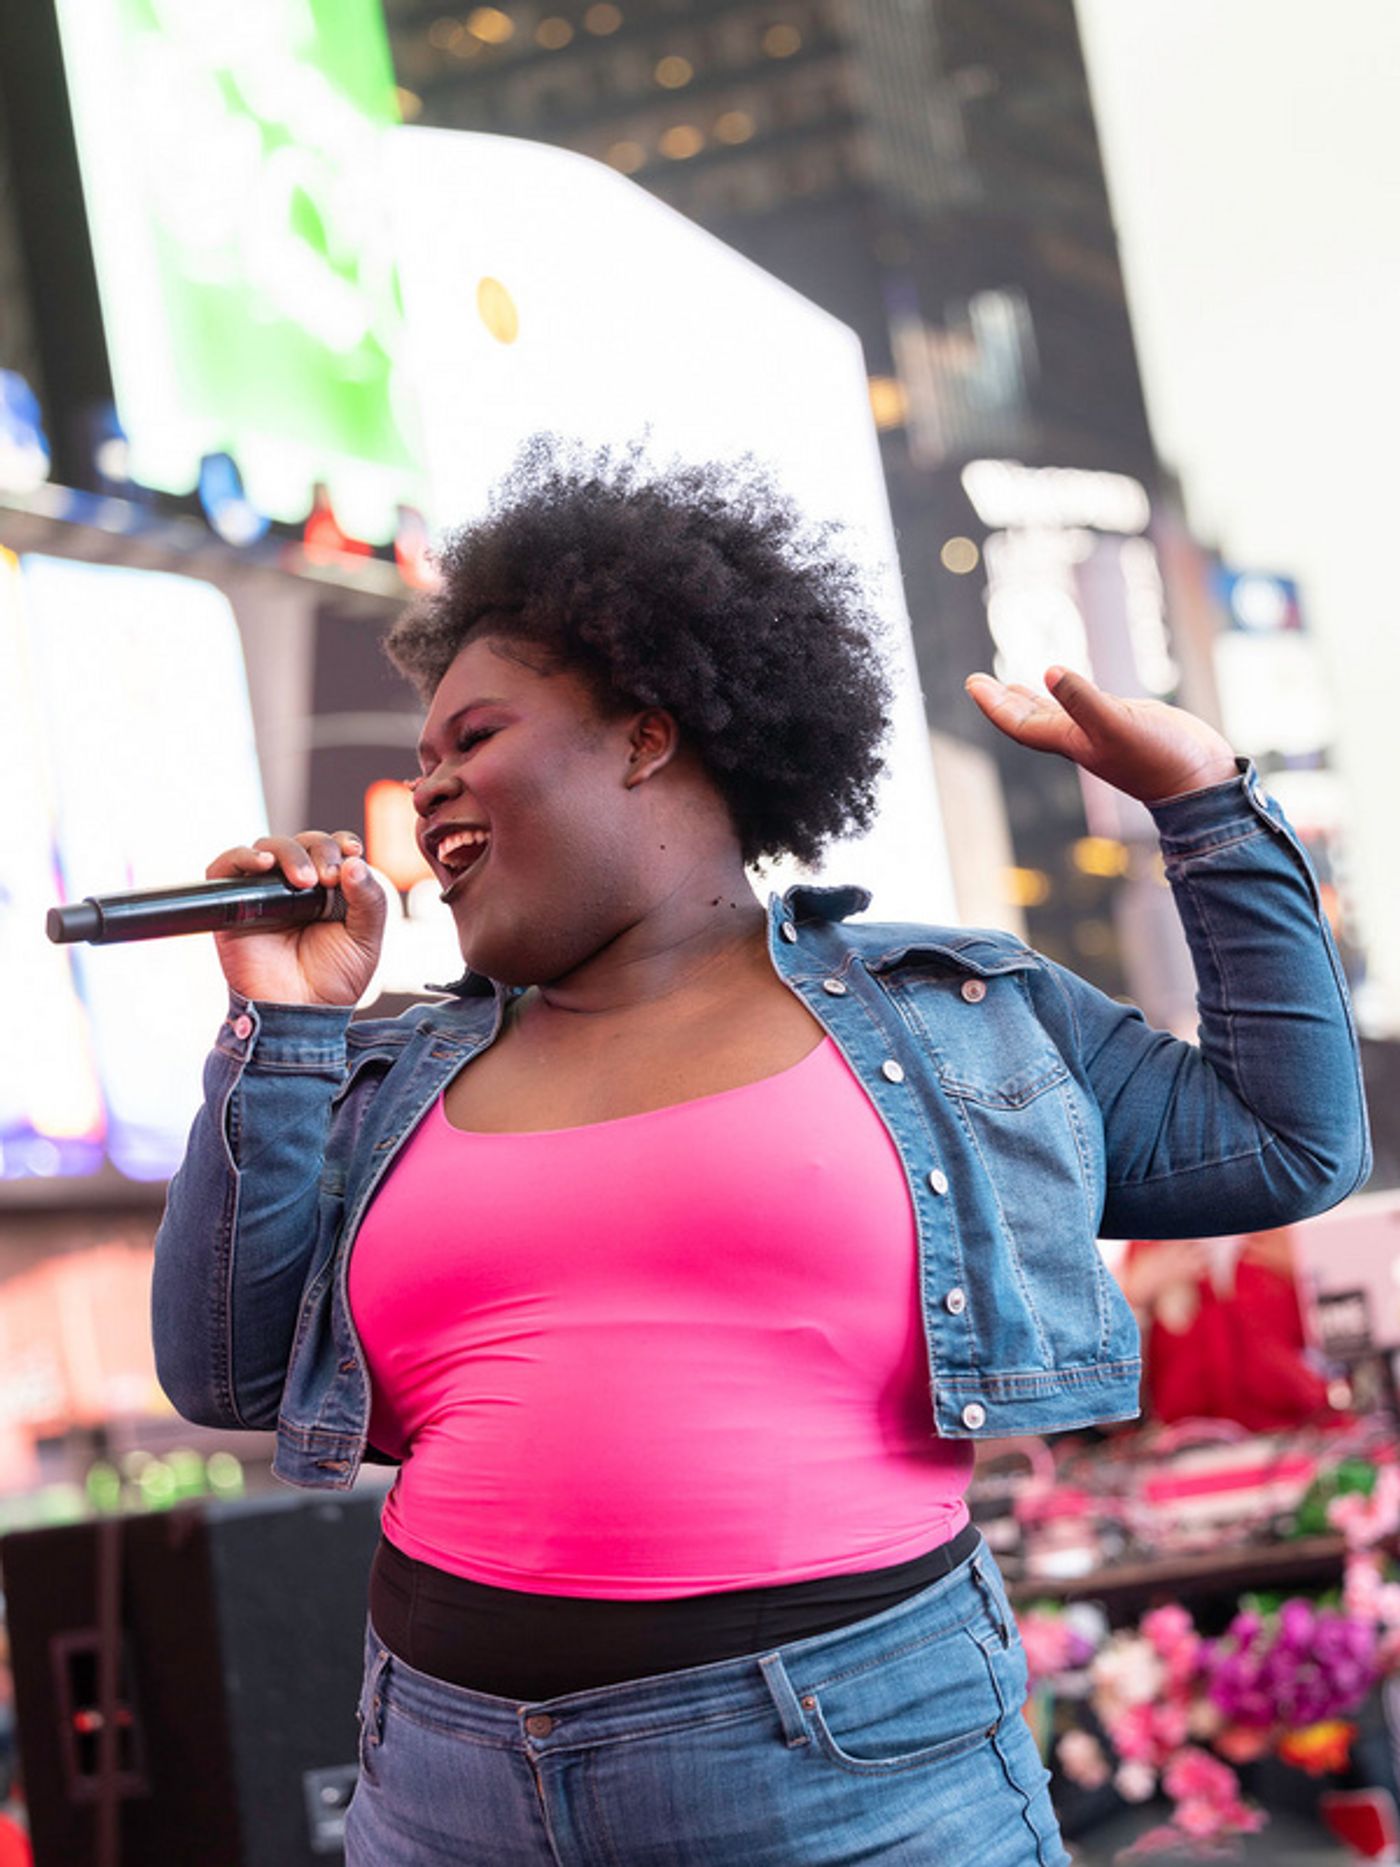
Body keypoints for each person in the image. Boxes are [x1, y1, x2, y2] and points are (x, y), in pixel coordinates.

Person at [152, 439, 1370, 1866]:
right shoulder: (385, 1072)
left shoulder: (953, 1018)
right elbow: (225, 1367)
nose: (426, 787)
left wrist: (1210, 807)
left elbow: (1286, 1141)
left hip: (849, 1776)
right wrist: (283, 1024)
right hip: (442, 1778)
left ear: (645, 731)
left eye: (471, 737)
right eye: (421, 757)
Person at [1118, 1229, 1339, 1431]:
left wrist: (1310, 1274)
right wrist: (1131, 1298)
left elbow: (1348, 1351)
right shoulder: (1147, 1243)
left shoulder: (1289, 1227)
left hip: (1301, 1430)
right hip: (1188, 1442)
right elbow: (1116, 1396)